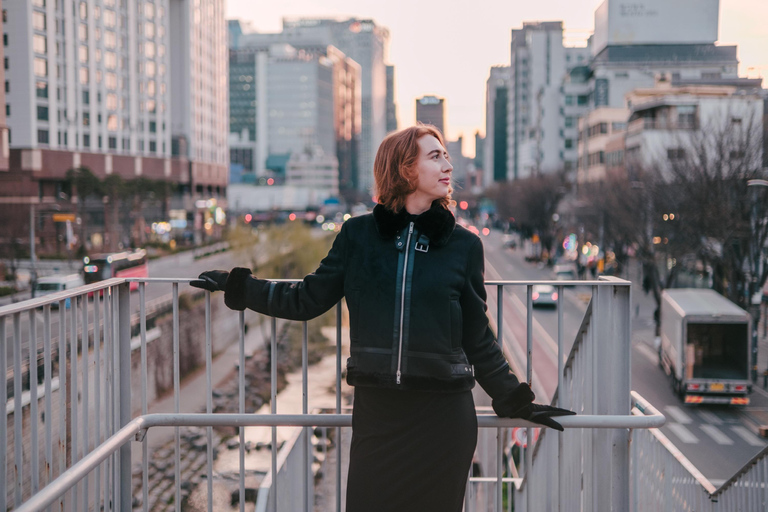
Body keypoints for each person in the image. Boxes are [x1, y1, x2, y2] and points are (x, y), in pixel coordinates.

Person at [192, 124, 574, 512]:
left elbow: (477, 336)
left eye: (446, 156)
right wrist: (239, 287)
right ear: (405, 168)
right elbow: (305, 299)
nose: (448, 165)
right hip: (379, 416)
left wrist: (514, 397)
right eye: (435, 156)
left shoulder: (464, 246)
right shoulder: (357, 236)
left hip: (443, 419)